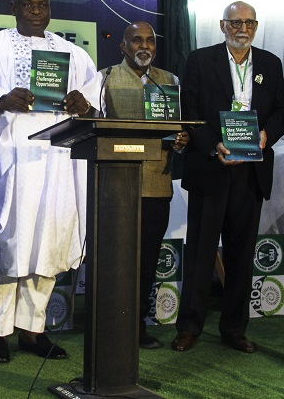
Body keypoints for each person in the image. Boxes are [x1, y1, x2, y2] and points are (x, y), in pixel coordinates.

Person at [0, 0, 102, 363]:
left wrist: (84, 105)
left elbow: (95, 109)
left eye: (42, 5)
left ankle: (33, 330)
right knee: (9, 246)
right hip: (12, 164)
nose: (35, 11)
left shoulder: (73, 54)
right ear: (13, 8)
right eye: (27, 5)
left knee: (48, 245)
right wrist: (3, 102)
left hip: (56, 162)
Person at [172, 1, 284, 354]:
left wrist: (265, 136)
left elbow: (281, 113)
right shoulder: (199, 60)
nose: (242, 28)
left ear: (256, 26)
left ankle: (235, 328)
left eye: (249, 23)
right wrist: (214, 145)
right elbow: (189, 111)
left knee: (241, 254)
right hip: (211, 167)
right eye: (235, 22)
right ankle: (189, 327)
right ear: (223, 25)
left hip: (251, 171)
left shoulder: (270, 63)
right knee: (200, 254)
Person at [101, 21, 189, 349]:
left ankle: (136, 325)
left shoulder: (170, 81)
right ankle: (110, 325)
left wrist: (181, 139)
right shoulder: (105, 78)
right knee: (116, 260)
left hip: (156, 183)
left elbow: (180, 130)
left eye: (150, 41)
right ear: (122, 46)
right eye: (136, 40)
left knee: (147, 259)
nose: (144, 46)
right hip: (116, 186)